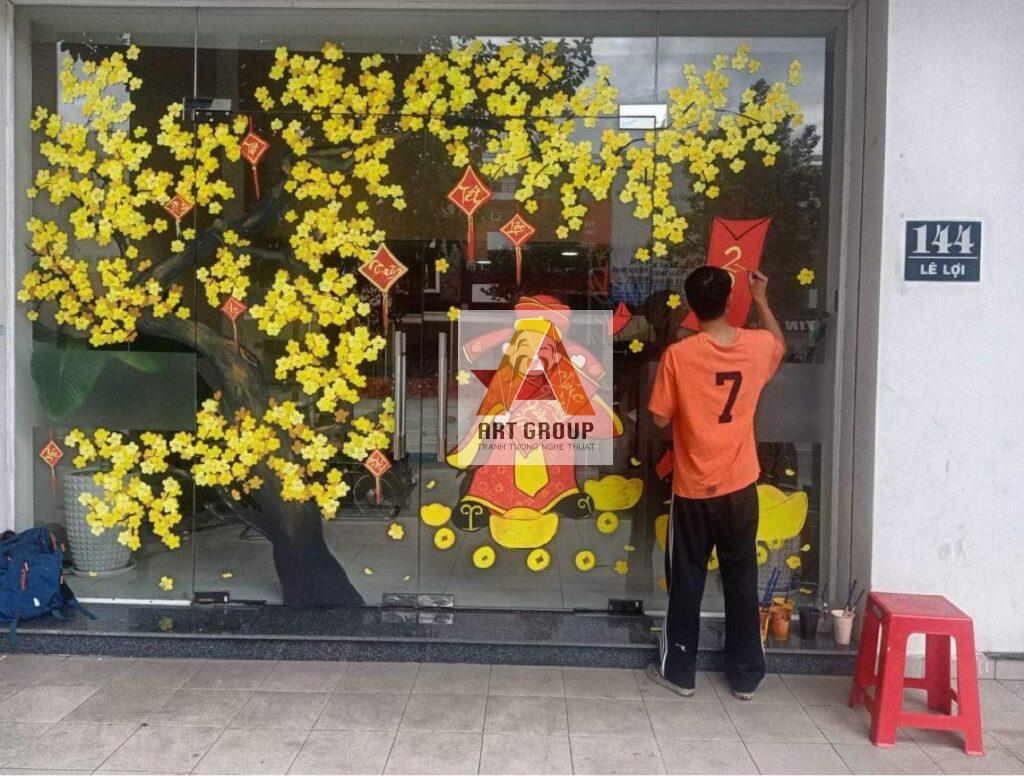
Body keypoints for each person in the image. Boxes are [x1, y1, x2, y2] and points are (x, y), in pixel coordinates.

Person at [646, 265, 785, 700]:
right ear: (729, 302)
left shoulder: (679, 355)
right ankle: (745, 679)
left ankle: (680, 674)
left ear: (691, 306)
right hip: (740, 488)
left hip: (693, 488)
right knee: (741, 580)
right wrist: (760, 299)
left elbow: (658, 418)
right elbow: (779, 345)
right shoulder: (757, 346)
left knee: (686, 581)